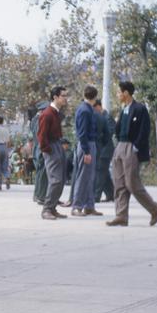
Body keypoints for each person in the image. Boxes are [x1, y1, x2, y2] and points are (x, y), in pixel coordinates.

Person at [107, 80, 157, 227]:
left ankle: (154, 208)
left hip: (131, 148)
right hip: (120, 147)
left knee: (132, 184)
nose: (118, 94)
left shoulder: (140, 108)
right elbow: (119, 129)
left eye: (119, 92)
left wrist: (135, 147)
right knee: (119, 183)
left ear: (126, 93)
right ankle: (121, 216)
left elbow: (145, 130)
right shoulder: (123, 109)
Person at [37, 86, 69, 220]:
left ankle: (53, 207)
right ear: (55, 97)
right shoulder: (47, 113)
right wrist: (48, 150)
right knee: (55, 180)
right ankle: (47, 209)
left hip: (57, 145)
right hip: (51, 147)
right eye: (63, 96)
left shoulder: (55, 112)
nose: (65, 98)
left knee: (60, 180)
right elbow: (41, 136)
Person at [71, 85, 103, 217]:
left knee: (90, 177)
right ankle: (77, 206)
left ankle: (89, 206)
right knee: (84, 176)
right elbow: (83, 133)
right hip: (87, 145)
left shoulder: (85, 108)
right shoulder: (85, 110)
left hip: (88, 144)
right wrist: (87, 151)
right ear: (95, 97)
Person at [93, 99, 115, 203]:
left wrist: (97, 136)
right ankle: (111, 194)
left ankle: (96, 196)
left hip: (105, 150)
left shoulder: (107, 117)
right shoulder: (99, 117)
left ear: (98, 106)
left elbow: (110, 131)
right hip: (100, 149)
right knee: (104, 173)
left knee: (100, 173)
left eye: (94, 107)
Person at [30, 101, 49, 204]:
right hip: (40, 148)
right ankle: (40, 196)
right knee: (42, 173)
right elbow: (40, 136)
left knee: (40, 173)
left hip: (38, 148)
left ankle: (38, 195)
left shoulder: (35, 119)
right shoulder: (39, 120)